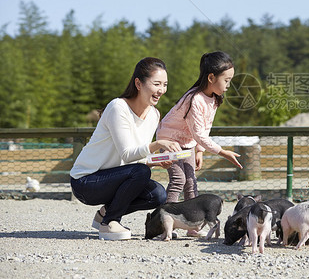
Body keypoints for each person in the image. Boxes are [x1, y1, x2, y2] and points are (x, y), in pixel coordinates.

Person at [70, 57, 182, 241]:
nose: (161, 90)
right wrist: (158, 145)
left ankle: (104, 215)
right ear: (138, 83)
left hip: (115, 177)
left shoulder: (154, 114)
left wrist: (157, 161)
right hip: (86, 181)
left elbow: (138, 158)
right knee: (140, 171)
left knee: (157, 195)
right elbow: (127, 154)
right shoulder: (118, 107)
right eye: (156, 84)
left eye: (165, 84)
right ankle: (109, 223)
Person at [156, 51, 243, 204]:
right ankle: (166, 221)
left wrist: (200, 151)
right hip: (169, 142)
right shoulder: (194, 99)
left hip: (187, 144)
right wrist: (222, 152)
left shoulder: (214, 98)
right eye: (226, 80)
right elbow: (199, 134)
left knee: (191, 182)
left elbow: (205, 127)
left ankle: (192, 225)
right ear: (211, 78)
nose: (228, 85)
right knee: (179, 180)